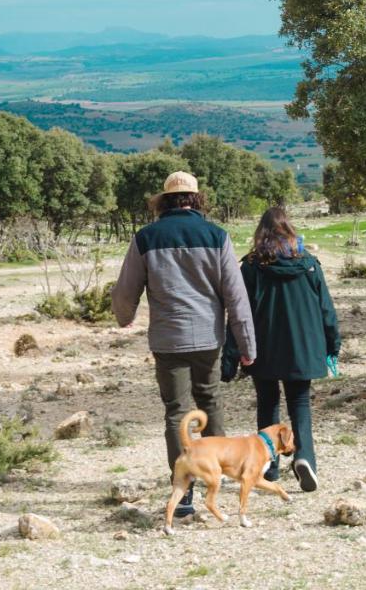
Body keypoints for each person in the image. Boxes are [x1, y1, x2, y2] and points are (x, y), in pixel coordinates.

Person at [112, 170, 256, 519]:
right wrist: (247, 344)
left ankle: (185, 492)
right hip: (208, 337)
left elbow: (125, 289)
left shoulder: (145, 238)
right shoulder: (216, 235)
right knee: (210, 401)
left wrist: (124, 315)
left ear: (164, 201)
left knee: (177, 411)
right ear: (196, 199)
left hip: (167, 338)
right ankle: (217, 478)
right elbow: (236, 296)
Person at [224, 206, 340, 492]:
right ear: (290, 230)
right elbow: (327, 309)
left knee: (268, 403)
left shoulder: (251, 266)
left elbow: (240, 312)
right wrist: (332, 344)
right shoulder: (309, 263)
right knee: (299, 403)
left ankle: (269, 467)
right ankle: (304, 457)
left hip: (263, 347)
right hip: (303, 347)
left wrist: (231, 353)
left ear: (260, 233)